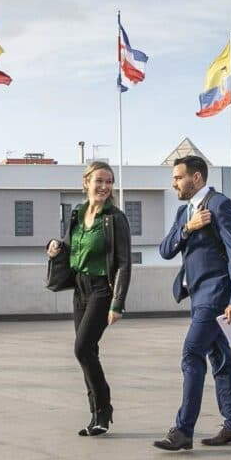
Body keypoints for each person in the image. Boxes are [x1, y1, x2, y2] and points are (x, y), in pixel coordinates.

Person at [154, 155, 231, 451]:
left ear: (196, 178)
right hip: (197, 295)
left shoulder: (220, 205)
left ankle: (183, 430)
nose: (174, 183)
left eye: (178, 177)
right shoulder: (184, 212)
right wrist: (189, 228)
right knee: (220, 357)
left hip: (216, 294)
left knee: (191, 353)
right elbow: (165, 250)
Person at [46, 161, 131, 437]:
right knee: (88, 352)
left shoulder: (115, 218)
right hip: (80, 288)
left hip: (102, 289)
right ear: (86, 183)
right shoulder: (77, 213)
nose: (104, 187)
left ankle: (103, 409)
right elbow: (69, 246)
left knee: (82, 348)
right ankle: (97, 416)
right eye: (99, 181)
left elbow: (124, 262)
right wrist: (54, 247)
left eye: (109, 182)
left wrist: (117, 303)